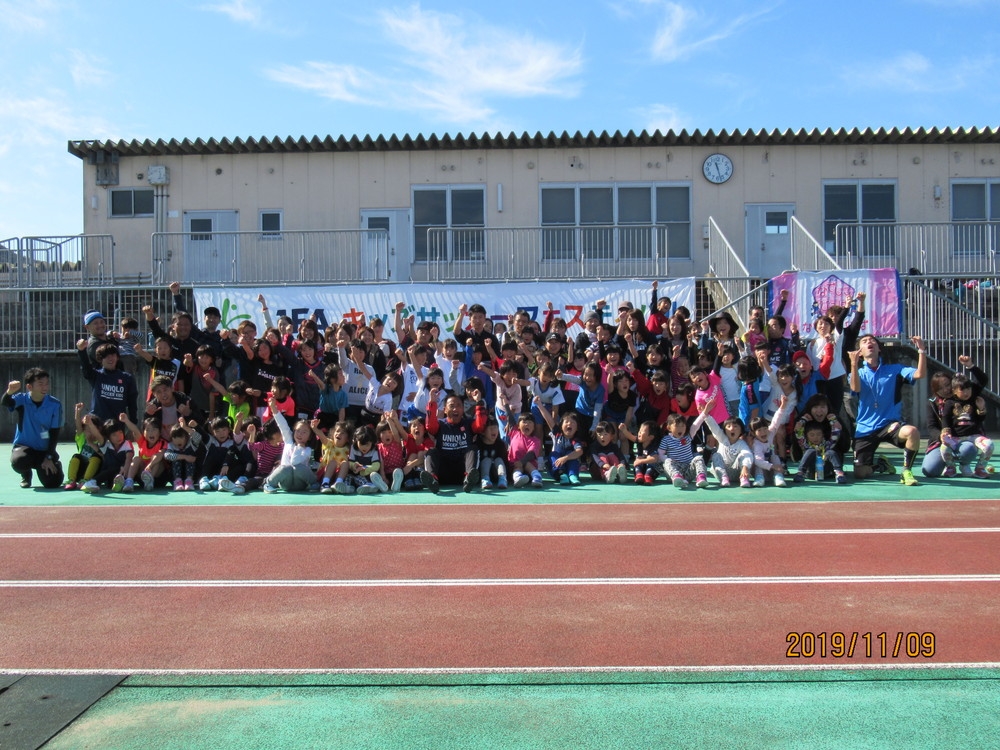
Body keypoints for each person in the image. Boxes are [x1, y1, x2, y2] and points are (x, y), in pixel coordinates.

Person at [849, 335, 927, 485]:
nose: (869, 342)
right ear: (860, 352)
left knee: (912, 432)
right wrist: (853, 364)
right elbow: (855, 388)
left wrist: (921, 351)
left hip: (890, 425)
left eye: (872, 341)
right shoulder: (857, 373)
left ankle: (906, 471)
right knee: (860, 473)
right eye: (864, 342)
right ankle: (880, 465)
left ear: (879, 348)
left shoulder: (895, 369)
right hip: (865, 428)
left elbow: (920, 374)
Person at [3, 368, 64, 488]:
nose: (45, 387)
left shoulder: (55, 404)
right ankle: (26, 475)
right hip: (24, 447)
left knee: (53, 483)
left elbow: (54, 432)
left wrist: (49, 457)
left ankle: (54, 463)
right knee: (19, 462)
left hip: (44, 450)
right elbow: (6, 402)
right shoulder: (22, 400)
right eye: (40, 384)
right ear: (29, 387)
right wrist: (9, 392)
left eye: (46, 383)